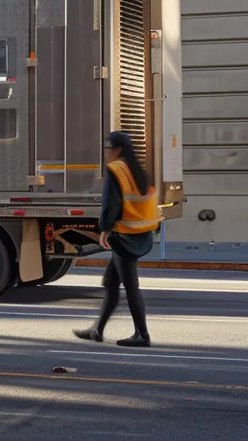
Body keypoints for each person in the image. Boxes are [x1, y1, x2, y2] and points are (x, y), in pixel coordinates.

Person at [74, 131, 160, 347]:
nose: (106, 153)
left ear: (117, 150)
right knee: (111, 282)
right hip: (140, 233)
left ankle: (142, 334)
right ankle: (97, 330)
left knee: (131, 286)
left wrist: (104, 229)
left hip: (124, 236)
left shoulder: (116, 170)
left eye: (108, 149)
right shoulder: (138, 171)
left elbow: (111, 203)